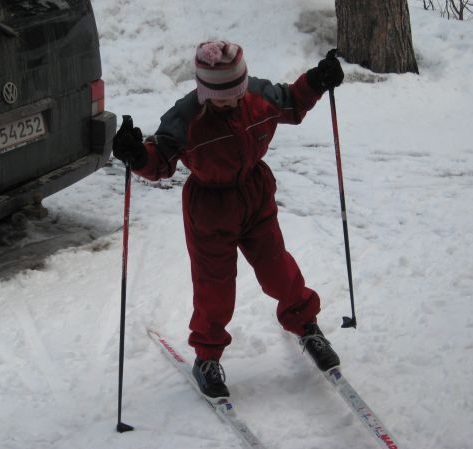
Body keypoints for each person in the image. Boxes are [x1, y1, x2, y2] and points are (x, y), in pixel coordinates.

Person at [112, 41, 344, 399]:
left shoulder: (258, 96)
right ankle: (206, 356)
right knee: (215, 288)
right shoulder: (186, 117)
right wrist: (137, 154)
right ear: (203, 91)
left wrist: (317, 80)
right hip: (209, 209)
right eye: (218, 97)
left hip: (254, 195)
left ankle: (306, 325)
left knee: (278, 270)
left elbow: (293, 102)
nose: (228, 102)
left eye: (234, 94)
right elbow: (161, 161)